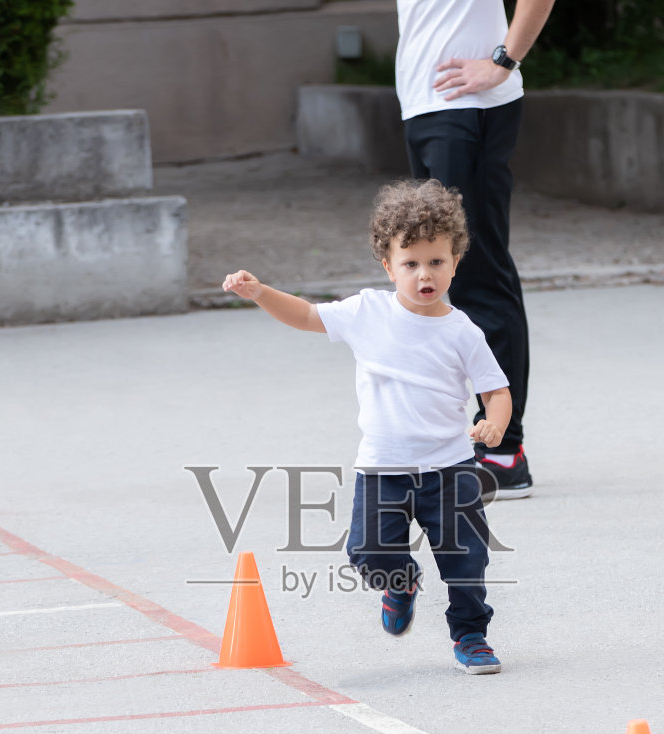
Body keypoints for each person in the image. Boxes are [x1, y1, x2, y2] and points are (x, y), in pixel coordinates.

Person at [223, 180, 512, 674]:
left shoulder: (462, 331)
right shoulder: (367, 312)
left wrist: (494, 423)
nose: (425, 274)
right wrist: (260, 292)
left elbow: (496, 391)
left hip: (450, 469)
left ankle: (471, 635)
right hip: (383, 469)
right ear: (388, 266)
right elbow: (306, 315)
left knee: (467, 561)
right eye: (411, 263)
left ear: (456, 261)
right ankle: (400, 583)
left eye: (437, 261)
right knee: (367, 552)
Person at [397, 0, 557, 500]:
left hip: (470, 107)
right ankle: (455, 445)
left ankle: (503, 452)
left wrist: (504, 60)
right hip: (425, 104)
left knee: (478, 275)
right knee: (434, 278)